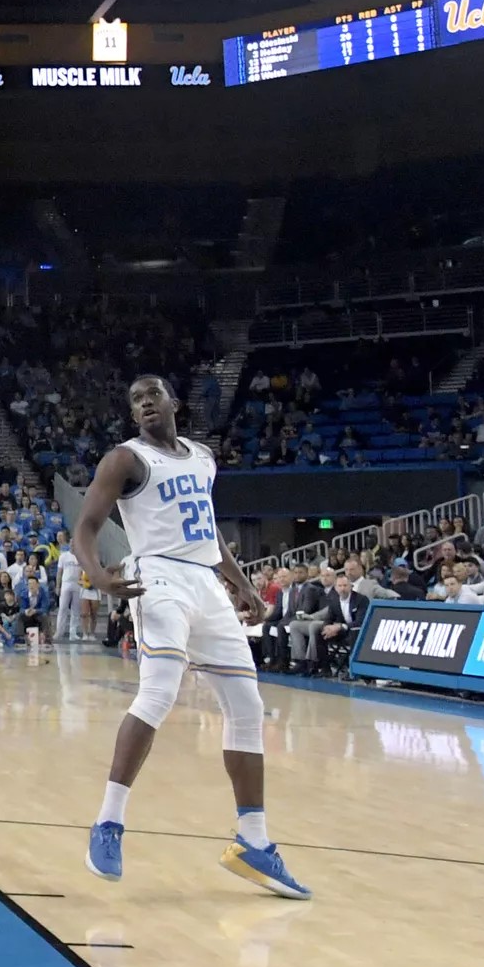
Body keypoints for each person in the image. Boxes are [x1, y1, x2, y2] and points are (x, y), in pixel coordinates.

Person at [72, 375, 310, 901]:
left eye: (152, 395)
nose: (145, 404)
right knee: (159, 691)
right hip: (157, 576)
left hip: (205, 580)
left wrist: (240, 580)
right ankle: (108, 822)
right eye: (135, 399)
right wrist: (98, 574)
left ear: (174, 403)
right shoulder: (125, 459)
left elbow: (206, 526)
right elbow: (84, 527)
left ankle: (253, 841)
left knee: (247, 705)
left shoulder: (202, 456)